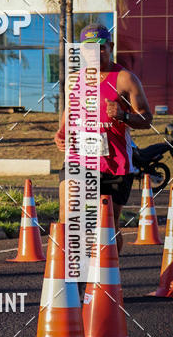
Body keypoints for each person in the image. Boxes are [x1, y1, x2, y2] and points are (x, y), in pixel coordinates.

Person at [54, 23, 152, 255]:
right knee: (68, 214)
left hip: (114, 163)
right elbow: (70, 110)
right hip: (78, 159)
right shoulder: (75, 79)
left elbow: (146, 118)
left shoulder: (125, 79)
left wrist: (123, 116)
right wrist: (61, 133)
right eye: (89, 48)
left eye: (101, 47)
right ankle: (73, 271)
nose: (95, 53)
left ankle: (109, 273)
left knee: (108, 225)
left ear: (110, 47)